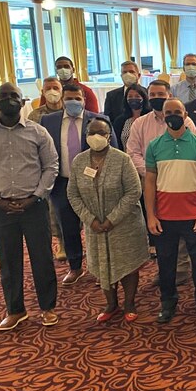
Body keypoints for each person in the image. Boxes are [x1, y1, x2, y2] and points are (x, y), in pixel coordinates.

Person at [67, 118, 149, 323]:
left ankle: (130, 303)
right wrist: (90, 219)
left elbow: (133, 192)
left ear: (109, 136)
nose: (96, 137)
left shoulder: (122, 159)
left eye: (101, 133)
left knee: (127, 265)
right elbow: (72, 194)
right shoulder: (79, 161)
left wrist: (112, 219)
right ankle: (111, 304)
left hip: (124, 224)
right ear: (86, 136)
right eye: (91, 132)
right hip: (94, 225)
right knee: (103, 264)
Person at [0, 83, 59, 331]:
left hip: (34, 206)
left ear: (23, 103)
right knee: (8, 261)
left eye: (14, 97)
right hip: (1, 208)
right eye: (4, 96)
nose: (9, 100)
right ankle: (16, 310)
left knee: (42, 258)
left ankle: (48, 307)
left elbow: (51, 166)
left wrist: (36, 196)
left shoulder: (38, 132)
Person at [144, 99, 196, 323]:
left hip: (194, 216)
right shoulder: (154, 146)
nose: (173, 115)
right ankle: (168, 302)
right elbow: (149, 183)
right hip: (164, 217)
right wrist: (151, 215)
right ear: (163, 115)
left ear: (185, 115)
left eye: (177, 112)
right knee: (166, 263)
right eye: (169, 112)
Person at [40, 84, 117, 285]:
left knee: (99, 224)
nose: (73, 102)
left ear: (84, 99)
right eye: (69, 98)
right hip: (62, 183)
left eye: (77, 98)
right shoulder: (48, 121)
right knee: (68, 226)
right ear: (62, 99)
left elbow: (115, 151)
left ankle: (102, 267)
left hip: (94, 183)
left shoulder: (99, 120)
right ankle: (75, 267)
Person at [126, 80, 196, 285]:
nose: (157, 97)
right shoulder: (140, 123)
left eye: (161, 94)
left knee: (182, 225)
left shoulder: (187, 122)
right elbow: (133, 153)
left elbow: (193, 150)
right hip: (151, 183)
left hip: (179, 182)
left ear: (169, 95)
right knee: (158, 226)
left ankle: (182, 268)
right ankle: (165, 268)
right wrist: (152, 172)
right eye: (153, 94)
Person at [28, 77, 67, 260]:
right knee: (54, 208)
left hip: (70, 164)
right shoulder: (35, 116)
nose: (52, 91)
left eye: (55, 87)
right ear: (42, 92)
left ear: (62, 90)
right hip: (47, 166)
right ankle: (61, 242)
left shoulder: (70, 110)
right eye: (48, 88)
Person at [112, 84, 149, 151]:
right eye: (130, 96)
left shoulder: (150, 117)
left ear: (144, 98)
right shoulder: (120, 120)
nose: (133, 99)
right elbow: (116, 143)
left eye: (137, 96)